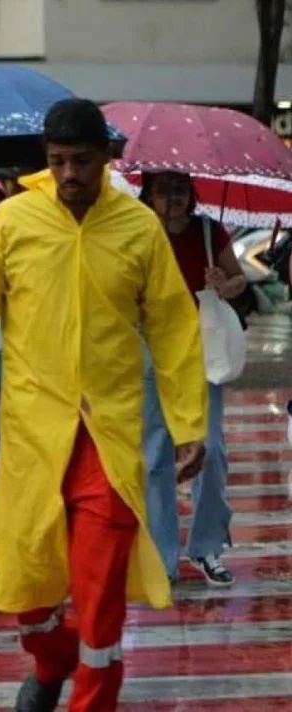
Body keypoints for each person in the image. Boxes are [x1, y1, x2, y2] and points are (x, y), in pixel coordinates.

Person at [0, 99, 207, 712]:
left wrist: (189, 423)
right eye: (57, 161)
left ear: (107, 157)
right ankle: (51, 659)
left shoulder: (138, 228)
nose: (70, 174)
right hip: (32, 438)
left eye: (82, 160)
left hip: (109, 441)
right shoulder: (12, 221)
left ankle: (91, 699)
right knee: (30, 586)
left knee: (99, 590)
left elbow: (174, 328)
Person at [140, 171, 247, 587]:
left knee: (212, 449)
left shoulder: (208, 231)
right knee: (156, 453)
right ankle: (162, 558)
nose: (173, 198)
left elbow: (239, 280)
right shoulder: (138, 231)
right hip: (152, 350)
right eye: (164, 190)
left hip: (203, 351)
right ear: (148, 193)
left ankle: (206, 547)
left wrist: (224, 285)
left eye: (181, 189)